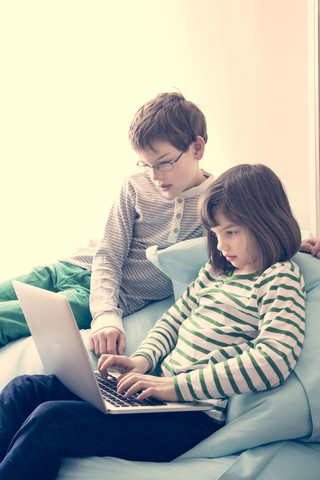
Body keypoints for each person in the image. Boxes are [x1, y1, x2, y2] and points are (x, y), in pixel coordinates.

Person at [0, 163, 306, 480]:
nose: (220, 246)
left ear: (265, 224)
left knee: (53, 421)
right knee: (25, 388)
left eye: (231, 233)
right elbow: (172, 320)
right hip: (157, 393)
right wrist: (142, 361)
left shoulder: (278, 278)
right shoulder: (216, 273)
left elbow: (275, 358)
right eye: (215, 234)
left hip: (190, 417)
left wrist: (175, 387)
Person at [0, 92, 215, 349]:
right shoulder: (135, 185)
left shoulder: (218, 206)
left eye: (164, 163)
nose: (155, 176)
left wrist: (105, 315)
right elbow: (109, 253)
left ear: (197, 148)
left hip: (95, 297)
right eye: (147, 165)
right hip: (70, 267)